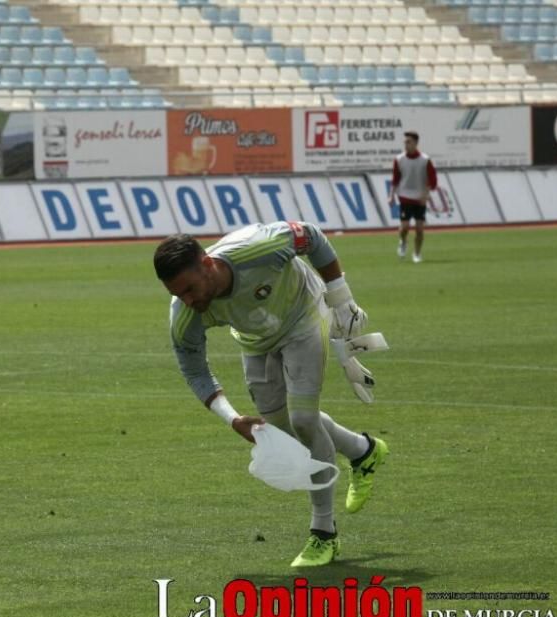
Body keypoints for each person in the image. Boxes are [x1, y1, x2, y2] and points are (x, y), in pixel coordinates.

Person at [153, 222, 389, 567]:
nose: (188, 300)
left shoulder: (259, 248)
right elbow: (194, 370)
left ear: (207, 264)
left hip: (303, 316)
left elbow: (311, 237)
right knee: (283, 425)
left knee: (304, 419)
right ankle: (363, 451)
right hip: (255, 341)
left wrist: (341, 298)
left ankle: (324, 533)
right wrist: (233, 419)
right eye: (178, 293)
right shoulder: (184, 313)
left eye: (189, 289)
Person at [387, 131, 439, 263]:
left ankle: (417, 253)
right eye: (405, 142)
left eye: (409, 142)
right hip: (405, 196)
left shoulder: (425, 160)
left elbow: (432, 180)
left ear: (416, 143)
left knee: (420, 229)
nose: (406, 144)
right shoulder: (399, 159)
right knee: (404, 227)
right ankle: (403, 241)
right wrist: (391, 196)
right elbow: (395, 179)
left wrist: (426, 195)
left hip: (420, 197)